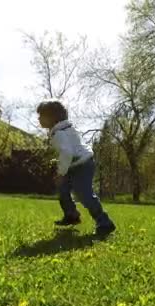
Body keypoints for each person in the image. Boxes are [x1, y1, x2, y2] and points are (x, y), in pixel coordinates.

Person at [36, 99, 116, 238]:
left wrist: (61, 173)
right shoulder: (65, 129)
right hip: (75, 164)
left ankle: (105, 223)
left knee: (83, 194)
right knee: (63, 189)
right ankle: (71, 215)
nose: (39, 118)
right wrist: (61, 163)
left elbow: (67, 152)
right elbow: (69, 151)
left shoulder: (59, 133)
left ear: (52, 117)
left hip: (82, 165)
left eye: (42, 115)